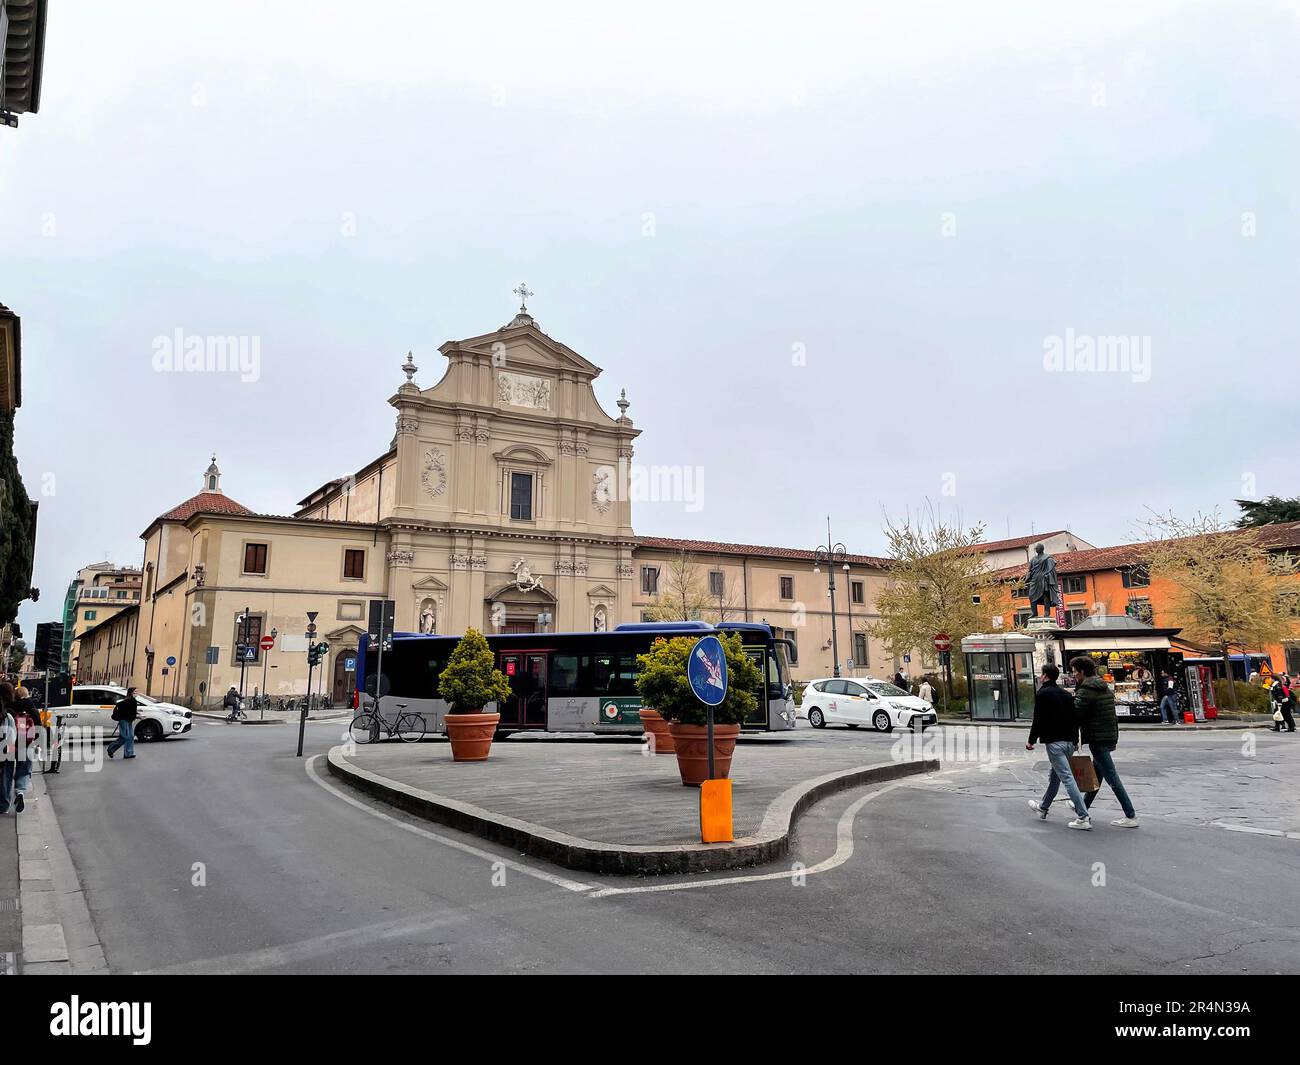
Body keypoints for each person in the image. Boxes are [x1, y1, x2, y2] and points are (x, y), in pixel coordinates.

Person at [1072, 656, 1138, 827]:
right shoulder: (1102, 686)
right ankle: (1083, 808)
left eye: (1074, 671)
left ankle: (1130, 815)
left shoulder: (1086, 689)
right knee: (1097, 776)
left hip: (1097, 737)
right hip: (1108, 734)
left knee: (1111, 777)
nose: (1073, 675)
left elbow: (1076, 714)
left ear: (1082, 671)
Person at [1025, 665, 1091, 829]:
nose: (1040, 677)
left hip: (1054, 742)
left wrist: (1031, 740)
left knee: (1067, 778)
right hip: (1069, 741)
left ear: (1045, 676)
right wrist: (1075, 741)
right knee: (1055, 776)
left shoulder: (1042, 694)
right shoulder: (1066, 694)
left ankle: (1083, 817)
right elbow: (1074, 719)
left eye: (1041, 674)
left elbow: (1038, 719)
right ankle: (1043, 807)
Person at [0, 683, 36, 813]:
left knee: (6, 774)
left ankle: (4, 804)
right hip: (25, 744)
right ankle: (20, 793)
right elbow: (37, 723)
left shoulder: (7, 706)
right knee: (24, 770)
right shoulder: (30, 705)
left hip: (9, 745)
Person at [105, 687, 139, 759]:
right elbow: (127, 712)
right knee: (124, 737)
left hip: (129, 720)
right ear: (131, 693)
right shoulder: (128, 701)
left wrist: (137, 714)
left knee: (130, 736)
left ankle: (128, 753)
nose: (137, 693)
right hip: (124, 720)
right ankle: (111, 749)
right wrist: (138, 717)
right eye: (135, 692)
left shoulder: (133, 701)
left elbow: (131, 712)